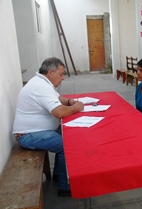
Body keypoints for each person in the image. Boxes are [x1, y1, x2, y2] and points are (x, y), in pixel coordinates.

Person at [12, 57, 84, 197]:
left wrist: (69, 101)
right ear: (51, 72)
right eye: (61, 74)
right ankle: (65, 187)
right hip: (28, 135)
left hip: (36, 131)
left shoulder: (42, 82)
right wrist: (77, 107)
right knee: (67, 145)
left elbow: (58, 98)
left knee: (66, 134)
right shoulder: (40, 87)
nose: (63, 78)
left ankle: (58, 173)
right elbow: (59, 112)